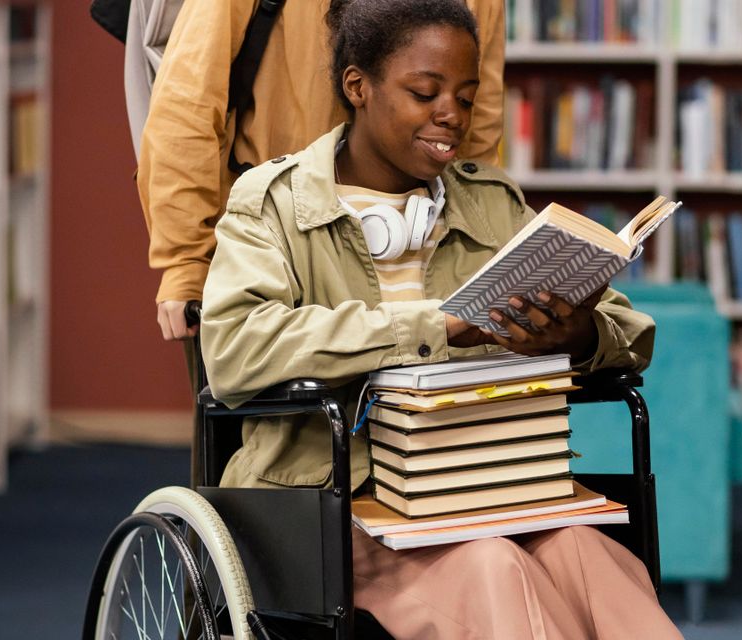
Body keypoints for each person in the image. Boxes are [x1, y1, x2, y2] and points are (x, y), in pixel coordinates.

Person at [201, 0, 683, 637]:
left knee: (589, 556)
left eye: (465, 94)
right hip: (336, 502)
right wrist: (434, 326)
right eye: (425, 93)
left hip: (483, 484)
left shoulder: (489, 203)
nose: (451, 116)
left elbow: (630, 333)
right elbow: (235, 350)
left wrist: (582, 335)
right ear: (358, 86)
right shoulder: (272, 206)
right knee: (493, 568)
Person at [137, 0, 506, 343]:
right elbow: (188, 103)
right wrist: (186, 261)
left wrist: (486, 240)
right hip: (274, 240)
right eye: (424, 92)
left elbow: (481, 126)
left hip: (420, 238)